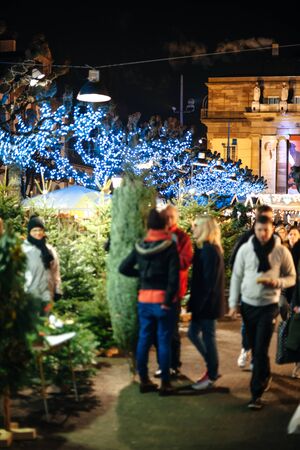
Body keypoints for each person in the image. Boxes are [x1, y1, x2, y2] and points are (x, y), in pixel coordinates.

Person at [228, 215, 296, 410]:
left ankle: (255, 394)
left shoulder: (281, 251)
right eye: (259, 230)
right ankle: (265, 374)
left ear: (271, 229)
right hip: (249, 304)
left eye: (266, 230)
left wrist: (278, 283)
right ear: (254, 230)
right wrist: (233, 304)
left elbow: (292, 277)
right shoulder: (245, 250)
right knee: (255, 347)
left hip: (269, 305)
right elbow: (236, 277)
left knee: (260, 347)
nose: (262, 234)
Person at [119, 208, 179, 395]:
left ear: (148, 226)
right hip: (163, 300)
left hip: (144, 299)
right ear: (163, 225)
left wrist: (142, 275)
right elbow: (173, 278)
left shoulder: (140, 246)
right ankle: (165, 384)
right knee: (163, 341)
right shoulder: (169, 246)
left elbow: (123, 268)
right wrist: (168, 300)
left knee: (144, 339)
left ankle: (144, 379)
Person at [229, 205, 274, 370]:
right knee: (248, 325)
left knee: (263, 332)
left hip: (269, 296)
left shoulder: (275, 240)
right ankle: (246, 349)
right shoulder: (246, 238)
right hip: (248, 292)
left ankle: (257, 360)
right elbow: (234, 262)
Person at [154, 204, 193, 377]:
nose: (169, 220)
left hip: (174, 290)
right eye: (166, 217)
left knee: (171, 331)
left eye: (171, 217)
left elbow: (185, 261)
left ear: (176, 218)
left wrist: (168, 260)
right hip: (156, 290)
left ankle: (174, 365)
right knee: (158, 331)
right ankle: (162, 364)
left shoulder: (182, 237)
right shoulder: (157, 235)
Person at [187, 216, 225, 390]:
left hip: (206, 304)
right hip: (204, 303)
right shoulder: (208, 249)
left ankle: (211, 372)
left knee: (206, 337)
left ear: (204, 229)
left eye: (196, 226)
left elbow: (208, 282)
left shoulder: (210, 251)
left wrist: (199, 305)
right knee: (195, 334)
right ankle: (211, 369)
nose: (193, 230)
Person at [22, 215, 62, 315]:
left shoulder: (49, 250)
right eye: (34, 230)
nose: (38, 233)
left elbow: (55, 272)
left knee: (45, 323)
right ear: (29, 232)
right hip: (29, 294)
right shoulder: (23, 250)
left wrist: (58, 290)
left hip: (48, 293)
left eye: (40, 230)